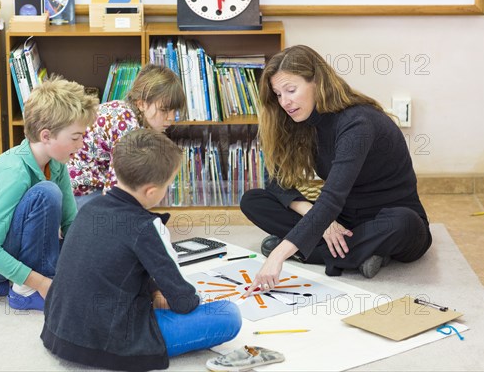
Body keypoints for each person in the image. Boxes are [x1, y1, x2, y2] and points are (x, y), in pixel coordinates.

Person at [42, 129, 242, 371]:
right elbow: (183, 301)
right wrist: (189, 296)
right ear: (151, 191)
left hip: (58, 332)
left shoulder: (89, 208)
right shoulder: (146, 227)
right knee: (228, 316)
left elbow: (112, 266)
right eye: (168, 185)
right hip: (112, 342)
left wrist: (155, 291)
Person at [241, 45, 432, 295]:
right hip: (344, 219)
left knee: (403, 223)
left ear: (317, 82)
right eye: (278, 94)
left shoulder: (358, 123)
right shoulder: (304, 119)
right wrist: (319, 218)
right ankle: (360, 254)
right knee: (253, 200)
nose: (284, 102)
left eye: (291, 90)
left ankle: (308, 253)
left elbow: (331, 198)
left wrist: (278, 255)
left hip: (391, 219)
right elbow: (276, 182)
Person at [0, 76, 97, 310]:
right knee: (47, 193)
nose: (81, 145)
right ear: (46, 136)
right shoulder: (14, 173)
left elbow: (70, 223)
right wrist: (43, 283)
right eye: (76, 137)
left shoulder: (57, 164)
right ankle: (24, 291)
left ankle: (4, 282)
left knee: (90, 240)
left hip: (10, 247)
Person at [68, 63, 186, 208]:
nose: (171, 117)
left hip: (88, 182)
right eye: (164, 110)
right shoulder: (126, 125)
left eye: (174, 111)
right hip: (79, 191)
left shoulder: (126, 112)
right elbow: (116, 187)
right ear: (141, 104)